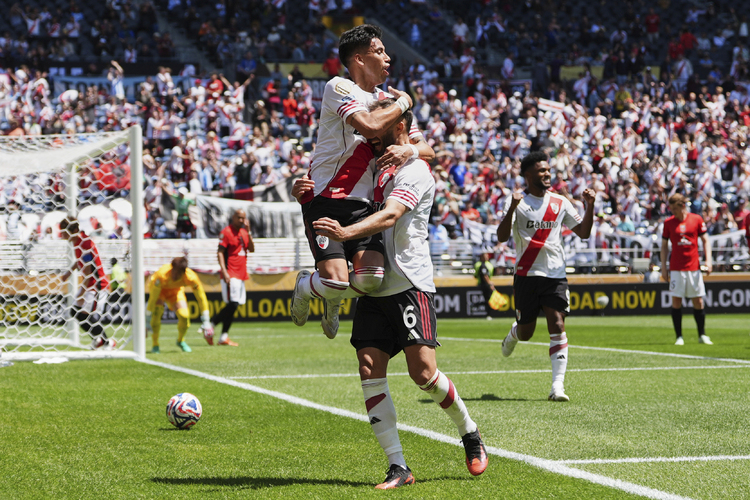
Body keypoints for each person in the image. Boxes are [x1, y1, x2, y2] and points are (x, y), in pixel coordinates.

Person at [311, 99, 487, 489]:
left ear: (401, 126)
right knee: (369, 369)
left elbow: (391, 214)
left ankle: (470, 432)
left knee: (423, 374)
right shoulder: (378, 162)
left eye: (380, 125)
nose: (370, 131)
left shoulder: (415, 171)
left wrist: (345, 233)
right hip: (374, 285)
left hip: (409, 283)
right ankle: (397, 466)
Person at [290, 24, 434, 339]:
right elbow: (369, 126)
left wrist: (407, 149)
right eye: (379, 52)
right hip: (326, 198)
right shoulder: (339, 86)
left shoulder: (387, 100)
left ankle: (330, 297)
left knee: (371, 278)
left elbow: (427, 150)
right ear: (359, 59)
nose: (387, 58)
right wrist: (404, 103)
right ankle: (307, 286)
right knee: (335, 281)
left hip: (364, 206)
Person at [496, 151, 595, 402]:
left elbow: (583, 232)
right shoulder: (517, 201)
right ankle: (514, 333)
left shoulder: (560, 202)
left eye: (548, 169)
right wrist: (512, 208)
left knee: (558, 324)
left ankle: (557, 386)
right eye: (541, 170)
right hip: (526, 275)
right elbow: (501, 236)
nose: (547, 173)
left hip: (555, 274)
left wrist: (590, 206)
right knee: (527, 332)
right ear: (528, 175)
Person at [660, 193, 713, 346]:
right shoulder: (668, 223)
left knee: (698, 301)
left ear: (683, 206)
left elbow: (705, 240)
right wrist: (664, 267)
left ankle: (702, 335)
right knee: (676, 301)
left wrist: (708, 261)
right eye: (671, 209)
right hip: (676, 268)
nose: (673, 212)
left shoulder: (696, 219)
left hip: (694, 267)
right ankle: (679, 336)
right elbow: (664, 246)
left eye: (675, 209)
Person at [59, 217, 115, 349]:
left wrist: (81, 293)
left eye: (65, 232)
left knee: (85, 315)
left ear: (74, 230)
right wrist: (69, 272)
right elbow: (81, 260)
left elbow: (89, 271)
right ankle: (99, 340)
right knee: (75, 312)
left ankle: (108, 342)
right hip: (89, 284)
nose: (63, 235)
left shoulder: (85, 242)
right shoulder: (77, 242)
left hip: (96, 284)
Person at [203, 209, 254, 347]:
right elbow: (220, 252)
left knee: (233, 306)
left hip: (241, 273)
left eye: (243, 218)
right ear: (233, 217)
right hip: (231, 273)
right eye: (239, 217)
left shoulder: (244, 232)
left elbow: (251, 249)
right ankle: (211, 326)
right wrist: (224, 272)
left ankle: (222, 336)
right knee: (233, 304)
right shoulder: (226, 232)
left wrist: (249, 231)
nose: (241, 220)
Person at [145, 256, 213, 353]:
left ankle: (181, 340)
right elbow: (153, 298)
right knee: (157, 312)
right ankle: (155, 344)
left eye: (178, 273)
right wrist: (147, 318)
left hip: (175, 292)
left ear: (184, 272)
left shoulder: (191, 277)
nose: (175, 276)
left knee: (184, 316)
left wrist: (206, 320)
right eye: (174, 272)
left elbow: (201, 297)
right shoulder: (161, 275)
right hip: (160, 292)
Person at [474, 252, 496, 320]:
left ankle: (476, 305)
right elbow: (485, 276)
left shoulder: (484, 264)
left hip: (484, 284)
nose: (487, 257)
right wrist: (490, 284)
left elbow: (475, 275)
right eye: (485, 256)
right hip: (485, 285)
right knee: (488, 300)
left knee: (488, 299)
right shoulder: (483, 265)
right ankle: (488, 314)